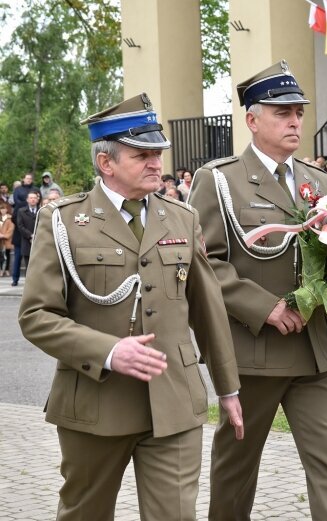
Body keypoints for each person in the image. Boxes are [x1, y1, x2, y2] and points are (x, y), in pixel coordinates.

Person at [17, 93, 243, 521]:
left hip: (174, 400)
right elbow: (36, 316)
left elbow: (207, 308)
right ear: (107, 163)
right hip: (96, 404)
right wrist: (109, 351)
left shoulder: (182, 217)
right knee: (85, 514)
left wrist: (228, 388)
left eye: (158, 154)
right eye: (143, 155)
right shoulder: (64, 220)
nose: (157, 163)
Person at [187, 60, 327, 521]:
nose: (294, 121)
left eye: (299, 113)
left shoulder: (318, 180)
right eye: (282, 112)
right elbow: (204, 265)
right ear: (252, 119)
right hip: (253, 354)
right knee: (236, 471)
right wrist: (263, 307)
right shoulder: (220, 180)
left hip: (314, 351)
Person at [12, 190, 39, 286]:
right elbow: (20, 226)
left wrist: (37, 235)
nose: (33, 200)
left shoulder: (42, 211)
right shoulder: (21, 211)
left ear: (37, 199)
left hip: (39, 241)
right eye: (31, 198)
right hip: (26, 242)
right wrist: (30, 235)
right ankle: (30, 285)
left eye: (34, 198)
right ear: (27, 200)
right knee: (28, 265)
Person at [0, 202, 13, 277]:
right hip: (0, 241)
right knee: (0, 255)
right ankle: (1, 270)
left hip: (7, 240)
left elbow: (11, 228)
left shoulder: (9, 218)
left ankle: (7, 269)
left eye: (4, 208)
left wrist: (4, 235)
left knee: (7, 255)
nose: (3, 210)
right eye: (1, 209)